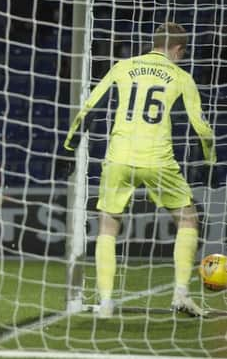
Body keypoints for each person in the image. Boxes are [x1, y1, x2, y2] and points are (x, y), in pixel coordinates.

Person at [59, 22, 216, 318]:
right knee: (188, 218)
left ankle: (105, 302)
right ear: (178, 49)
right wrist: (210, 163)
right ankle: (181, 293)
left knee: (108, 224)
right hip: (158, 160)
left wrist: (69, 147)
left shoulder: (123, 66)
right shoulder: (181, 76)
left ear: (154, 42)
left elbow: (91, 108)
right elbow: (202, 129)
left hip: (118, 156)